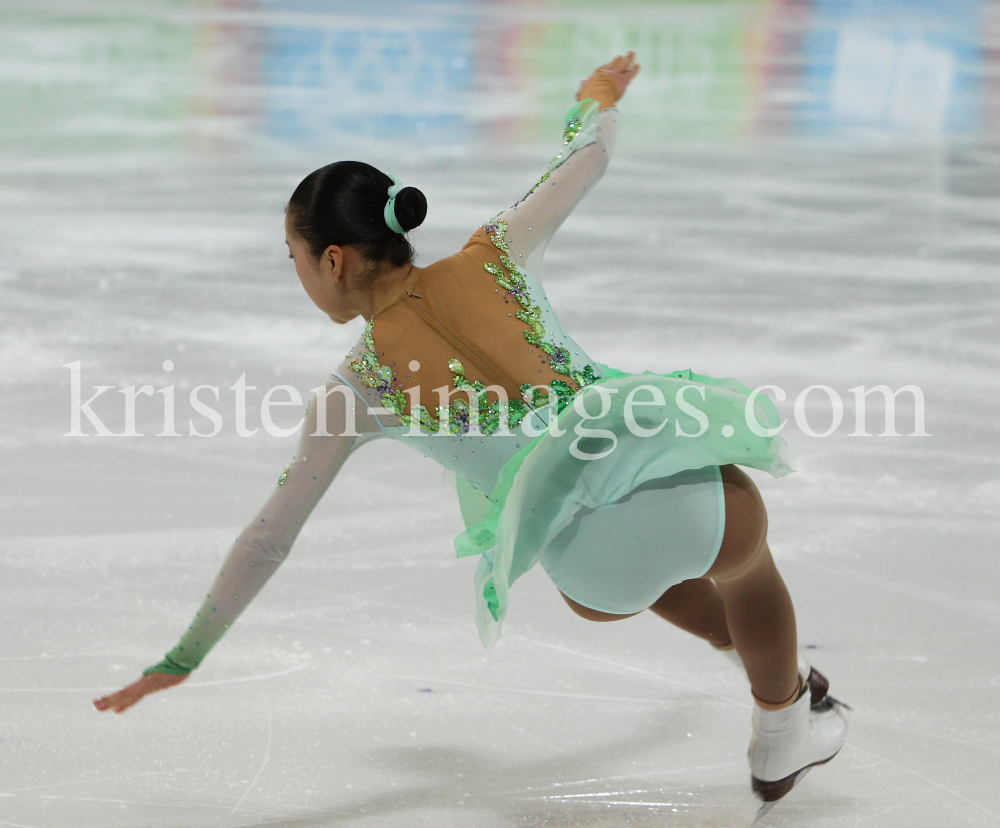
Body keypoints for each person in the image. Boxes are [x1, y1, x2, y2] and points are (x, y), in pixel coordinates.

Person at [94, 52, 847, 807]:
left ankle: (761, 670)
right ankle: (781, 728)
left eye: (290, 256)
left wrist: (184, 656)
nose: (293, 272)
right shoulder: (499, 252)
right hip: (691, 505)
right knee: (744, 566)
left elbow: (268, 538)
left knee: (633, 554)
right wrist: (596, 94)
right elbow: (587, 154)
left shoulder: (356, 390)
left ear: (331, 258)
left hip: (592, 576)